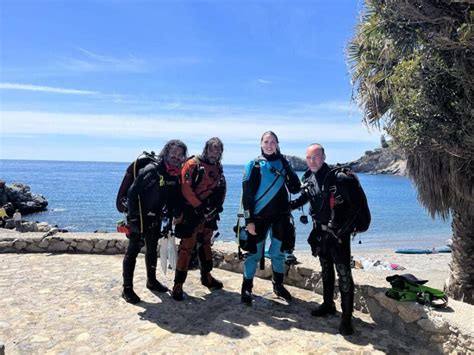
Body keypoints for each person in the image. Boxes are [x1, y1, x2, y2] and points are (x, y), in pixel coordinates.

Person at [290, 143, 360, 335]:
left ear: (323, 156)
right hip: (320, 233)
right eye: (309, 158)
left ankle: (346, 319)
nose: (312, 161)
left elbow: (355, 209)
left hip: (339, 236)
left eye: (316, 157)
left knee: (344, 274)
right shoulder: (308, 177)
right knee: (326, 270)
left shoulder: (339, 178)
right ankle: (328, 304)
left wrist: (342, 230)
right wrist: (285, 207)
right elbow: (305, 197)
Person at [122, 140, 188, 304]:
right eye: (173, 153)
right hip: (140, 217)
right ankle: (127, 289)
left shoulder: (173, 173)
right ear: (166, 152)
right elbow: (131, 194)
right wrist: (134, 220)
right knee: (133, 251)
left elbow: (175, 197)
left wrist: (178, 213)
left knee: (152, 249)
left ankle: (151, 281)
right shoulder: (152, 170)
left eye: (180, 154)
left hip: (156, 216)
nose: (176, 156)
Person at [240, 131, 301, 304]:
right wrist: (248, 221)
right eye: (266, 141)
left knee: (278, 253)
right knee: (254, 254)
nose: (269, 144)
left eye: (273, 142)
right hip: (259, 217)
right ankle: (246, 288)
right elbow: (247, 196)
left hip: (281, 216)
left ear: (277, 144)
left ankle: (278, 286)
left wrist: (288, 168)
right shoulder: (254, 165)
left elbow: (295, 188)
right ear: (261, 144)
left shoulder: (283, 163)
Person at [172, 137, 226, 301]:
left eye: (218, 150)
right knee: (186, 248)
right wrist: (199, 207)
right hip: (191, 212)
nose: (214, 153)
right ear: (206, 149)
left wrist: (216, 207)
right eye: (212, 149)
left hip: (208, 213)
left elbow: (220, 186)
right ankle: (178, 285)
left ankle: (206, 276)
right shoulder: (192, 164)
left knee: (205, 245)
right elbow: (185, 188)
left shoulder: (218, 167)